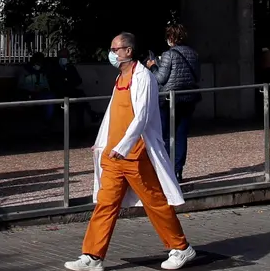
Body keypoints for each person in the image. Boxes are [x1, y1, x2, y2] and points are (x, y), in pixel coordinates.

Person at [65, 32, 195, 271]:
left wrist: (123, 147)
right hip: (114, 157)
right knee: (105, 205)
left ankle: (181, 248)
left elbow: (142, 116)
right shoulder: (120, 78)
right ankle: (92, 256)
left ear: (128, 51)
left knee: (155, 202)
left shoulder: (144, 77)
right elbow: (113, 114)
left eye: (116, 49)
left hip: (135, 154)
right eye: (112, 49)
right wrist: (102, 143)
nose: (112, 54)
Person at [150, 23, 202, 177]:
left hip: (168, 99)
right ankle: (178, 170)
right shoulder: (194, 54)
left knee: (165, 134)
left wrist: (153, 66)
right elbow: (197, 77)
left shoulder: (168, 54)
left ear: (171, 38)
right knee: (181, 134)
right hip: (188, 98)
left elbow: (161, 78)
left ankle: (166, 171)